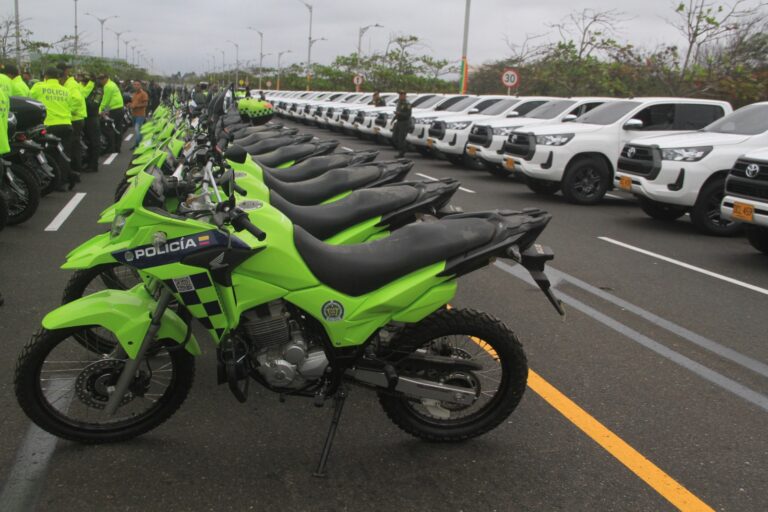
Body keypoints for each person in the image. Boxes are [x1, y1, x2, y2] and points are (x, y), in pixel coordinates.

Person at [30, 67, 77, 190]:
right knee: (63, 154)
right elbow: (71, 106)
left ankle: (48, 182)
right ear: (58, 78)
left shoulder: (38, 87)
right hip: (66, 125)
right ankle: (63, 182)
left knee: (45, 154)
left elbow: (30, 101)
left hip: (49, 126)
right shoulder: (65, 90)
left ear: (45, 76)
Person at [58, 63, 86, 177]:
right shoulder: (68, 83)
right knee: (73, 145)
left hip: (75, 118)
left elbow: (77, 100)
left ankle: (75, 170)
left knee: (73, 145)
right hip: (74, 117)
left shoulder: (71, 84)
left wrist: (66, 110)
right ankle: (75, 169)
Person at [80, 72, 103, 172]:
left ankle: (93, 165)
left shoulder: (98, 90)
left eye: (84, 81)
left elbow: (94, 105)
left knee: (94, 143)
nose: (82, 83)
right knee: (87, 142)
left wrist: (83, 100)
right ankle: (88, 163)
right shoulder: (85, 90)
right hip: (85, 118)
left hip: (93, 118)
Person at [97, 73, 125, 153]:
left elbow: (105, 101)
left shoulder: (108, 86)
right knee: (118, 128)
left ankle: (111, 148)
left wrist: (99, 111)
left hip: (114, 110)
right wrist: (105, 110)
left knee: (109, 129)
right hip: (119, 108)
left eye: (102, 79)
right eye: (100, 79)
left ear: (106, 78)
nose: (101, 81)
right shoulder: (112, 84)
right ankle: (117, 148)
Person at [128, 80, 149, 147]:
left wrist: (136, 106)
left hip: (140, 115)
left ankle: (137, 144)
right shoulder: (134, 94)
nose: (136, 86)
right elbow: (134, 103)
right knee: (137, 130)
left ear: (140, 86)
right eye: (134, 84)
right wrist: (130, 104)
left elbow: (145, 104)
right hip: (134, 114)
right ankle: (139, 143)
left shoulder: (144, 94)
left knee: (137, 129)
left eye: (137, 84)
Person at [392, 90, 412, 158]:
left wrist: (399, 114)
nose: (400, 96)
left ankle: (401, 153)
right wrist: (394, 119)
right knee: (394, 138)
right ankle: (405, 147)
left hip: (404, 122)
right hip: (399, 121)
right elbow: (398, 111)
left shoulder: (407, 104)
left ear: (404, 95)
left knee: (401, 138)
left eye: (401, 95)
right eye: (399, 95)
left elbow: (408, 115)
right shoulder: (399, 103)